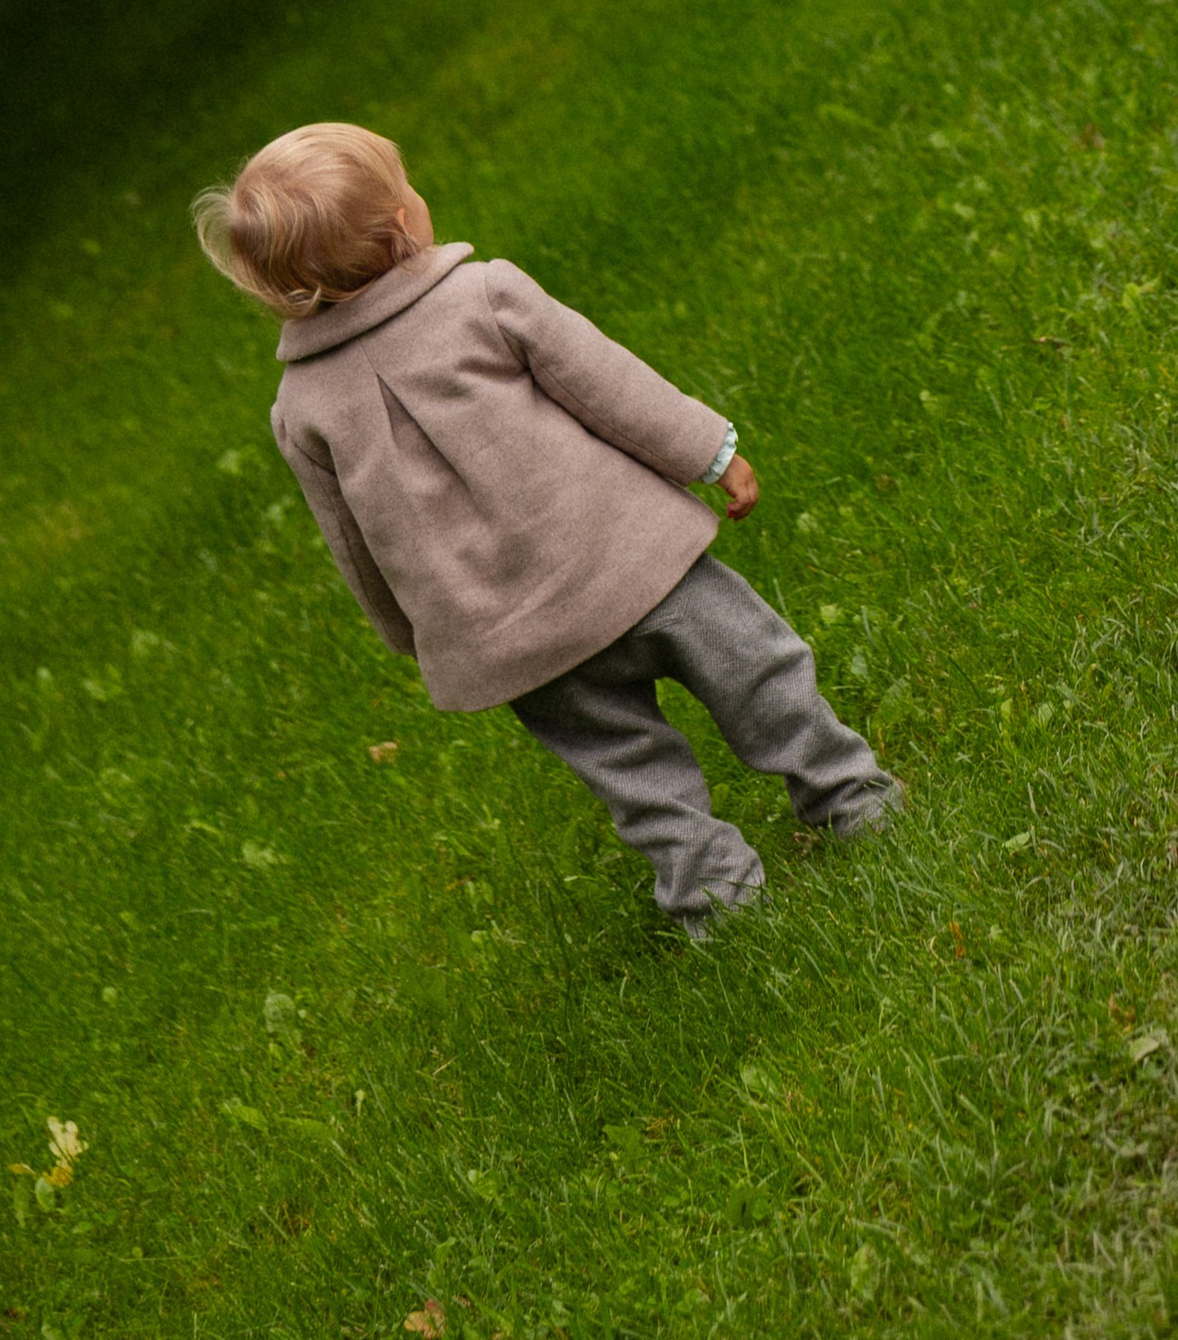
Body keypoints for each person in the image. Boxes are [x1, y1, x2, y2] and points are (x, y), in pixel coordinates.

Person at [197, 120, 899, 933]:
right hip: (637, 562)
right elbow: (607, 385)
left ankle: (717, 898)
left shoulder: (302, 408)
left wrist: (412, 631)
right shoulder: (482, 296)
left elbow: (352, 544)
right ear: (401, 226)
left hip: (513, 638)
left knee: (628, 766)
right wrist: (709, 453)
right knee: (758, 671)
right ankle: (848, 796)